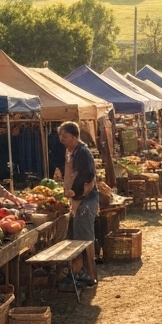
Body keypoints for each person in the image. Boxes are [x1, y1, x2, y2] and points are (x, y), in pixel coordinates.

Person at [60, 121, 100, 287]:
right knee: (80, 238)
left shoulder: (82, 152)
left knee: (85, 239)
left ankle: (90, 276)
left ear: (75, 137)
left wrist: (76, 193)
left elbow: (88, 175)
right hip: (79, 201)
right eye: (60, 135)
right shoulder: (72, 151)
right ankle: (80, 272)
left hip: (85, 201)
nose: (62, 139)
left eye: (65, 136)